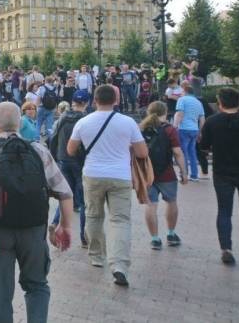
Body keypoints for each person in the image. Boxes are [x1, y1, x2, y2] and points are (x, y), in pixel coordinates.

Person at [0, 102, 74, 323]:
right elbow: (65, 192)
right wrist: (66, 226)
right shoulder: (38, 150)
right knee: (37, 285)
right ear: (20, 123)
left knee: (1, 290)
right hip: (34, 229)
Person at [67, 85, 148, 287]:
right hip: (120, 176)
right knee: (120, 220)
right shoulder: (128, 122)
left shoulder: (83, 122)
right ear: (115, 100)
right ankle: (119, 265)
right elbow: (142, 153)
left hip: (93, 173)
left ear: (95, 100)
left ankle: (96, 257)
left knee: (94, 216)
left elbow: (70, 149)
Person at [199, 87, 239, 265]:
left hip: (222, 173)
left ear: (220, 103)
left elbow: (204, 146)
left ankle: (226, 248)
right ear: (238, 102)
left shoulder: (212, 122)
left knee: (224, 211)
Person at [139, 101, 188, 251]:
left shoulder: (141, 129)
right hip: (167, 173)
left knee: (150, 205)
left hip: (147, 174)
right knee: (171, 202)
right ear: (165, 112)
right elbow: (178, 153)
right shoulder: (170, 130)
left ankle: (155, 239)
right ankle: (171, 234)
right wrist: (184, 172)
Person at [48, 90, 90, 248]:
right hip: (79, 163)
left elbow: (53, 139)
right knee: (84, 201)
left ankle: (55, 222)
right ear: (86, 102)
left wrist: (55, 158)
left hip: (63, 160)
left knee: (66, 197)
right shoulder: (86, 119)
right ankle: (84, 238)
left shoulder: (63, 117)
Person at [173, 81, 205, 182]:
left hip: (184, 129)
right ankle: (194, 175)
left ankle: (184, 174)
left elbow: (180, 114)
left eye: (182, 91)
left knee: (183, 152)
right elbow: (202, 119)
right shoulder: (198, 102)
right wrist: (200, 132)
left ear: (185, 91)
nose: (181, 93)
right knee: (192, 153)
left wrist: (174, 126)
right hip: (194, 130)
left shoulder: (182, 100)